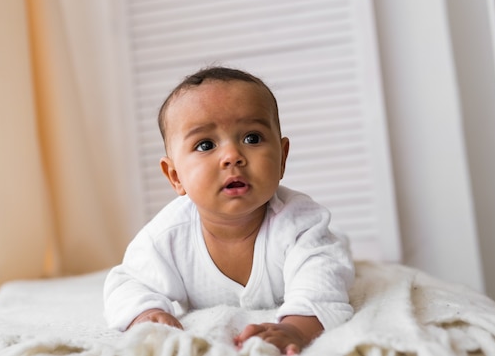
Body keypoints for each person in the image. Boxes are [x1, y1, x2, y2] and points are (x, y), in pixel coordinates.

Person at [104, 66, 354, 354]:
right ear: (175, 176)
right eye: (205, 144)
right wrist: (144, 314)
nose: (232, 156)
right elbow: (126, 282)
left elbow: (321, 283)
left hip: (317, 247)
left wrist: (296, 327)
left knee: (333, 256)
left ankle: (338, 241)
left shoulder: (302, 224)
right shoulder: (167, 236)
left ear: (283, 158)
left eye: (252, 138)